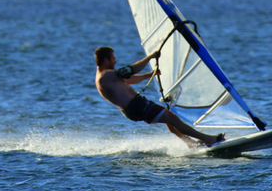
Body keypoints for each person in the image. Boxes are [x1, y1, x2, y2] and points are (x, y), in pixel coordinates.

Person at [94, 46, 224, 148]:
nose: (115, 61)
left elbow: (130, 79)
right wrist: (150, 57)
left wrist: (150, 74)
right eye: (113, 58)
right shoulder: (105, 76)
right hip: (137, 107)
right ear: (106, 60)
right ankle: (208, 139)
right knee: (172, 118)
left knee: (169, 120)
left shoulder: (109, 77)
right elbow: (131, 70)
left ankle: (191, 143)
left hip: (136, 107)